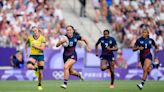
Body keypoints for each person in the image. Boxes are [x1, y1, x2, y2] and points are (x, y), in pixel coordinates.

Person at [25, 27, 46, 91]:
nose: (35, 32)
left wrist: (35, 46)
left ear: (38, 31)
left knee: (40, 73)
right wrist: (26, 52)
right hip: (33, 55)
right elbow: (26, 44)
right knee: (28, 66)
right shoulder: (30, 37)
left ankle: (39, 84)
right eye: (33, 31)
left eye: (35, 31)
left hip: (40, 56)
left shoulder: (42, 38)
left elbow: (43, 48)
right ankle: (36, 69)